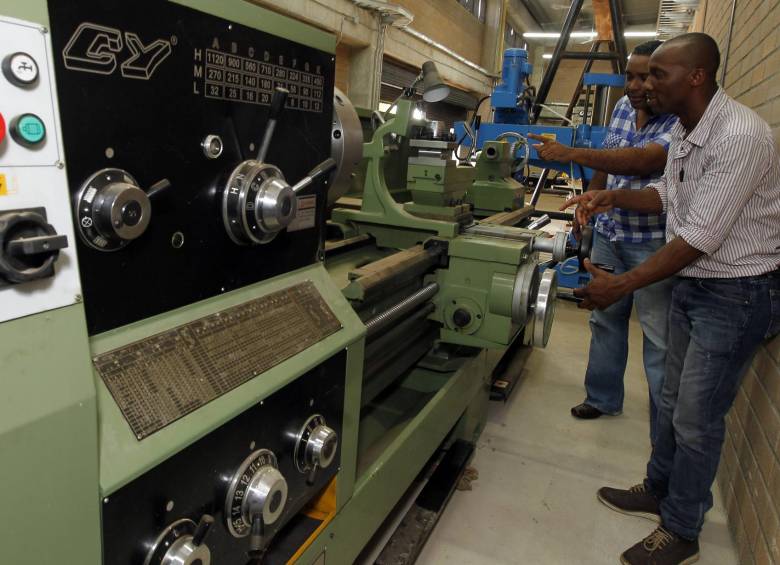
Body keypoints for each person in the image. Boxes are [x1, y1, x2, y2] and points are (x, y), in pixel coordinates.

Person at [562, 33, 780, 565]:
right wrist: (611, 193)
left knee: (695, 417)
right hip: (698, 284)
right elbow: (670, 194)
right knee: (671, 399)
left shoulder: (740, 137)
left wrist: (620, 284)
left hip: (736, 294)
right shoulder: (688, 131)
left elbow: (700, 236)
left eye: (659, 74)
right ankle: (658, 487)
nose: (644, 85)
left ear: (697, 76)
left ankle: (682, 529)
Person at [528, 40, 678, 441]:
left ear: (663, 77)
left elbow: (642, 161)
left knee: (658, 334)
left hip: (654, 242)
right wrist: (590, 207)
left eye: (644, 75)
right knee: (605, 318)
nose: (633, 84)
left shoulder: (679, 122)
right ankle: (602, 397)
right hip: (611, 235)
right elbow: (607, 164)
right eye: (629, 75)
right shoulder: (622, 108)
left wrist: (570, 151)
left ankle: (664, 425)